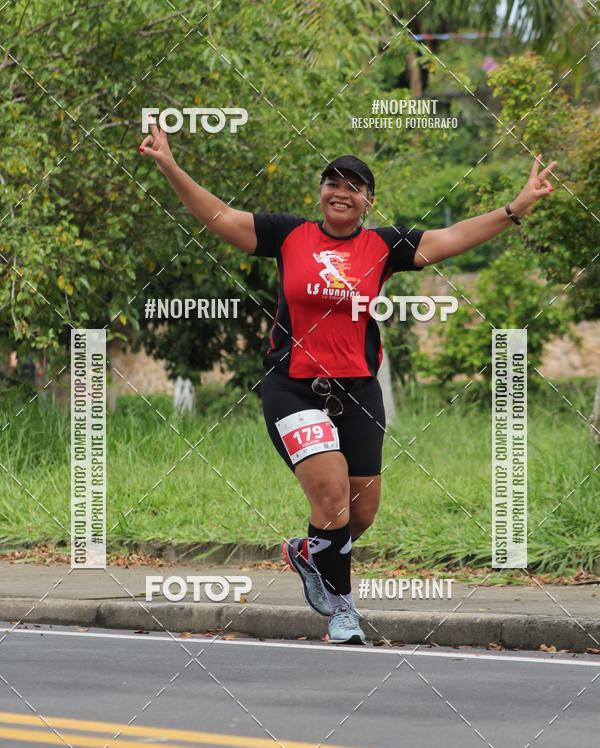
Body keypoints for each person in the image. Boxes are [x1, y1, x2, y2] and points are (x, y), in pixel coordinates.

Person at [139, 124, 557, 644]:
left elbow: (452, 238)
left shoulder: (384, 246)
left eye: (353, 186)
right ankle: (343, 610)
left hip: (358, 392)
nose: (341, 191)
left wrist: (515, 208)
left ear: (367, 201)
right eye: (332, 182)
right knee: (333, 499)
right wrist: (170, 166)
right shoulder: (289, 235)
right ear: (321, 192)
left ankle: (308, 551)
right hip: (294, 388)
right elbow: (219, 216)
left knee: (360, 514)